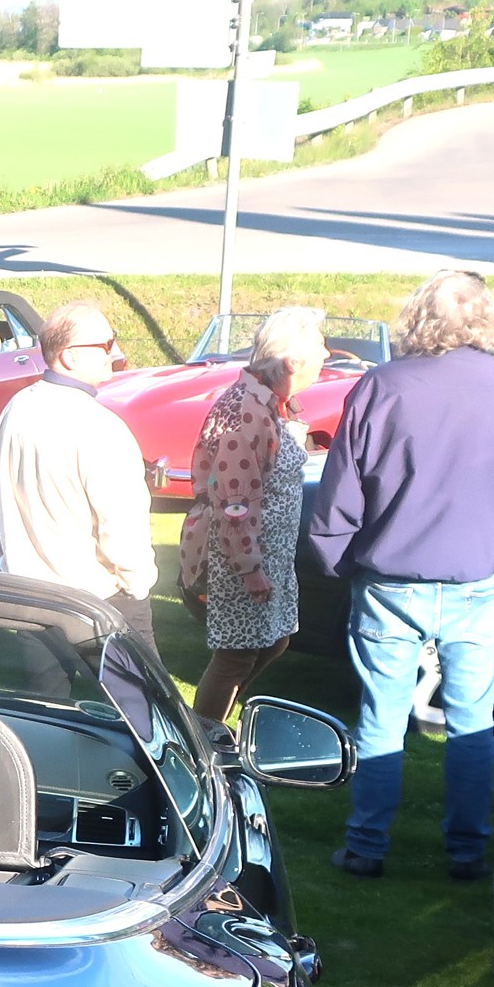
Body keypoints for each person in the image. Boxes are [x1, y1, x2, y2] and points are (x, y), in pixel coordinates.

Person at [304, 271, 494, 881]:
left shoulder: (381, 386)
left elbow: (339, 497)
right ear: (487, 317)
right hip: (477, 584)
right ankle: (467, 853)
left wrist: (340, 563)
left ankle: (366, 847)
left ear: (417, 317)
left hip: (389, 584)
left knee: (381, 718)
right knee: (473, 723)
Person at [180, 307, 326, 723]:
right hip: (238, 554)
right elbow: (233, 503)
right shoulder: (246, 411)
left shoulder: (270, 404)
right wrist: (249, 568)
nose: (326, 354)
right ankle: (204, 736)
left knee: (274, 641)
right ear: (292, 361)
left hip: (268, 553)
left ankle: (214, 723)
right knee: (236, 656)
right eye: (320, 346)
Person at [0, 299, 158, 646]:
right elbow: (122, 523)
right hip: (98, 602)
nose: (115, 352)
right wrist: (137, 585)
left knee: (45, 684)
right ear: (69, 356)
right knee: (137, 685)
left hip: (30, 598)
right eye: (106, 344)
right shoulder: (99, 425)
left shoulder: (16, 408)